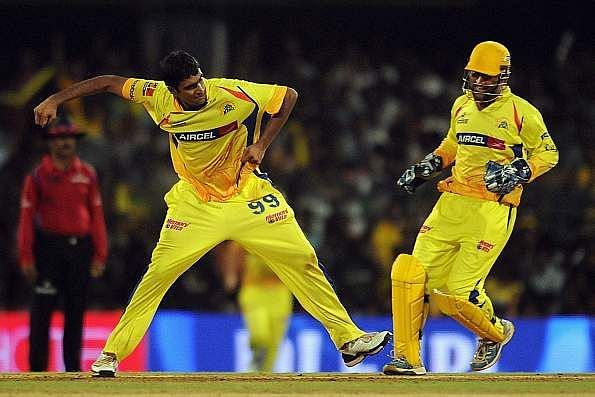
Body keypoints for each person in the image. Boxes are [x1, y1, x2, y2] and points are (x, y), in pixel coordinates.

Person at [33, 50, 390, 377]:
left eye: (200, 79)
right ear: (172, 91)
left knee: (303, 258)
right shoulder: (154, 95)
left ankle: (348, 340)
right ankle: (111, 355)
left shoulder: (230, 92)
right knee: (158, 275)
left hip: (247, 195)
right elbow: (108, 82)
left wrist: (261, 144)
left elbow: (288, 97)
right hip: (196, 204)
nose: (200, 89)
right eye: (190, 87)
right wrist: (54, 99)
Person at [382, 41, 558, 375]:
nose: (478, 82)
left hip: (492, 208)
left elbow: (548, 154)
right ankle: (407, 359)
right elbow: (452, 144)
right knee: (409, 272)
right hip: (450, 203)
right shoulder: (461, 105)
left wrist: (520, 171)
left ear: (502, 77)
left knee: (454, 295)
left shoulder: (522, 112)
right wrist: (427, 167)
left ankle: (494, 333)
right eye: (474, 75)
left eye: (485, 77)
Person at [17, 116, 108, 371]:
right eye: (59, 139)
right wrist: (26, 256)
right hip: (48, 250)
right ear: (50, 143)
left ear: (75, 142)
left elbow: (96, 216)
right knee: (41, 312)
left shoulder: (87, 174)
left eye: (68, 138)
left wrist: (100, 254)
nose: (65, 143)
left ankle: (73, 372)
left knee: (75, 313)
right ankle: (36, 373)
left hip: (79, 250)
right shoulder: (37, 177)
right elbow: (26, 218)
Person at [216, 241, 293, 372]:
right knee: (260, 335)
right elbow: (233, 250)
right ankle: (257, 358)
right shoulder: (252, 231)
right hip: (254, 290)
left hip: (280, 293)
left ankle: (261, 377)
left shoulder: (285, 234)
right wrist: (231, 275)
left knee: (274, 342)